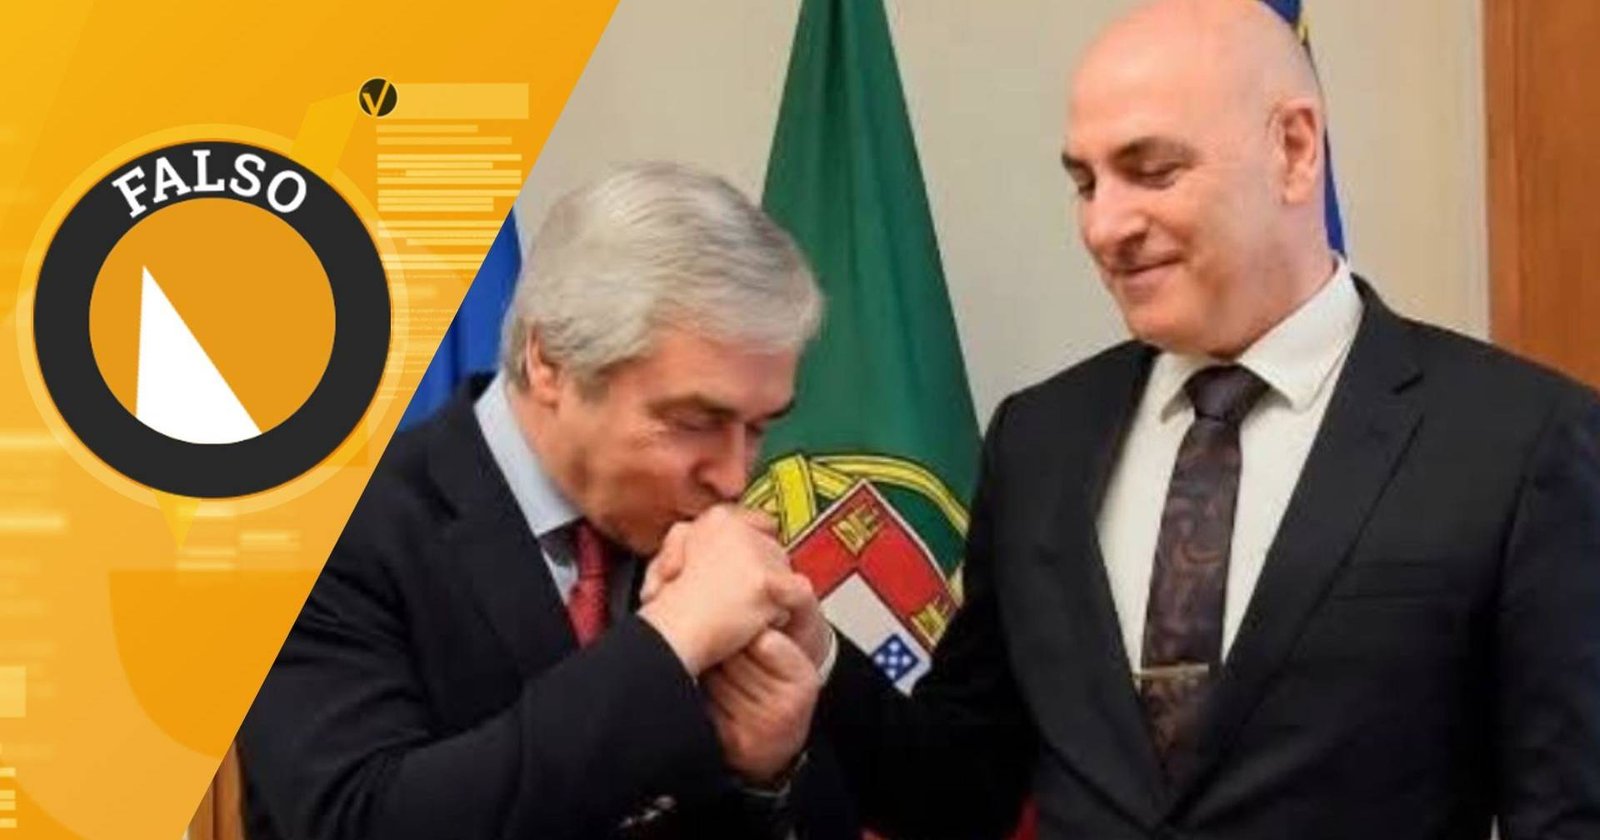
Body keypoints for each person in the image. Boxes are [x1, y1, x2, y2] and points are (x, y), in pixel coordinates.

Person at [698, 1, 1600, 837]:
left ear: (1294, 150)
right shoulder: (1040, 441)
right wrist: (816, 656)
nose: (1104, 226)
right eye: (1085, 182)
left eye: (1150, 171)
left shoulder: (1519, 442)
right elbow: (959, 791)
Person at [237, 161, 856, 839]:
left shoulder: (697, 535)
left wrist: (767, 774)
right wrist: (670, 641)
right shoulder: (329, 529)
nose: (734, 478)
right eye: (693, 421)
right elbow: (359, 820)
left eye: (759, 428)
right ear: (550, 361)